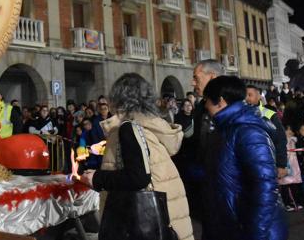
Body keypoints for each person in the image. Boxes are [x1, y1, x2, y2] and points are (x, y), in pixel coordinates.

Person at [80, 73, 193, 240]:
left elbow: (138, 177)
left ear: (119, 97)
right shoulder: (149, 125)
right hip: (168, 216)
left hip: (146, 222)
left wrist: (97, 178)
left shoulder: (128, 128)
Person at [202, 76, 287, 240]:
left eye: (207, 100)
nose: (205, 105)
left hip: (254, 230)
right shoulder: (224, 129)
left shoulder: (249, 132)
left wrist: (257, 234)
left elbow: (265, 187)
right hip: (234, 225)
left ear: (220, 101)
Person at [190, 59, 224, 234]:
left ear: (212, 77)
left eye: (196, 78)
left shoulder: (237, 110)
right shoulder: (200, 108)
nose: (192, 83)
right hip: (206, 186)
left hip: (228, 192)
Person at [246, 85, 288, 179]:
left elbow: (280, 140)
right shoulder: (239, 115)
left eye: (250, 95)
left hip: (268, 164)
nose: (246, 98)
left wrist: (281, 165)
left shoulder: (269, 115)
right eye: (244, 95)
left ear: (258, 96)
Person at [278, 125, 304, 211]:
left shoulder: (294, 139)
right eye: (287, 129)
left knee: (295, 184)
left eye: (291, 130)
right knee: (285, 185)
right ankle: (287, 203)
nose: (289, 131)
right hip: (285, 164)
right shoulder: (280, 141)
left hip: (294, 164)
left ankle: (297, 202)